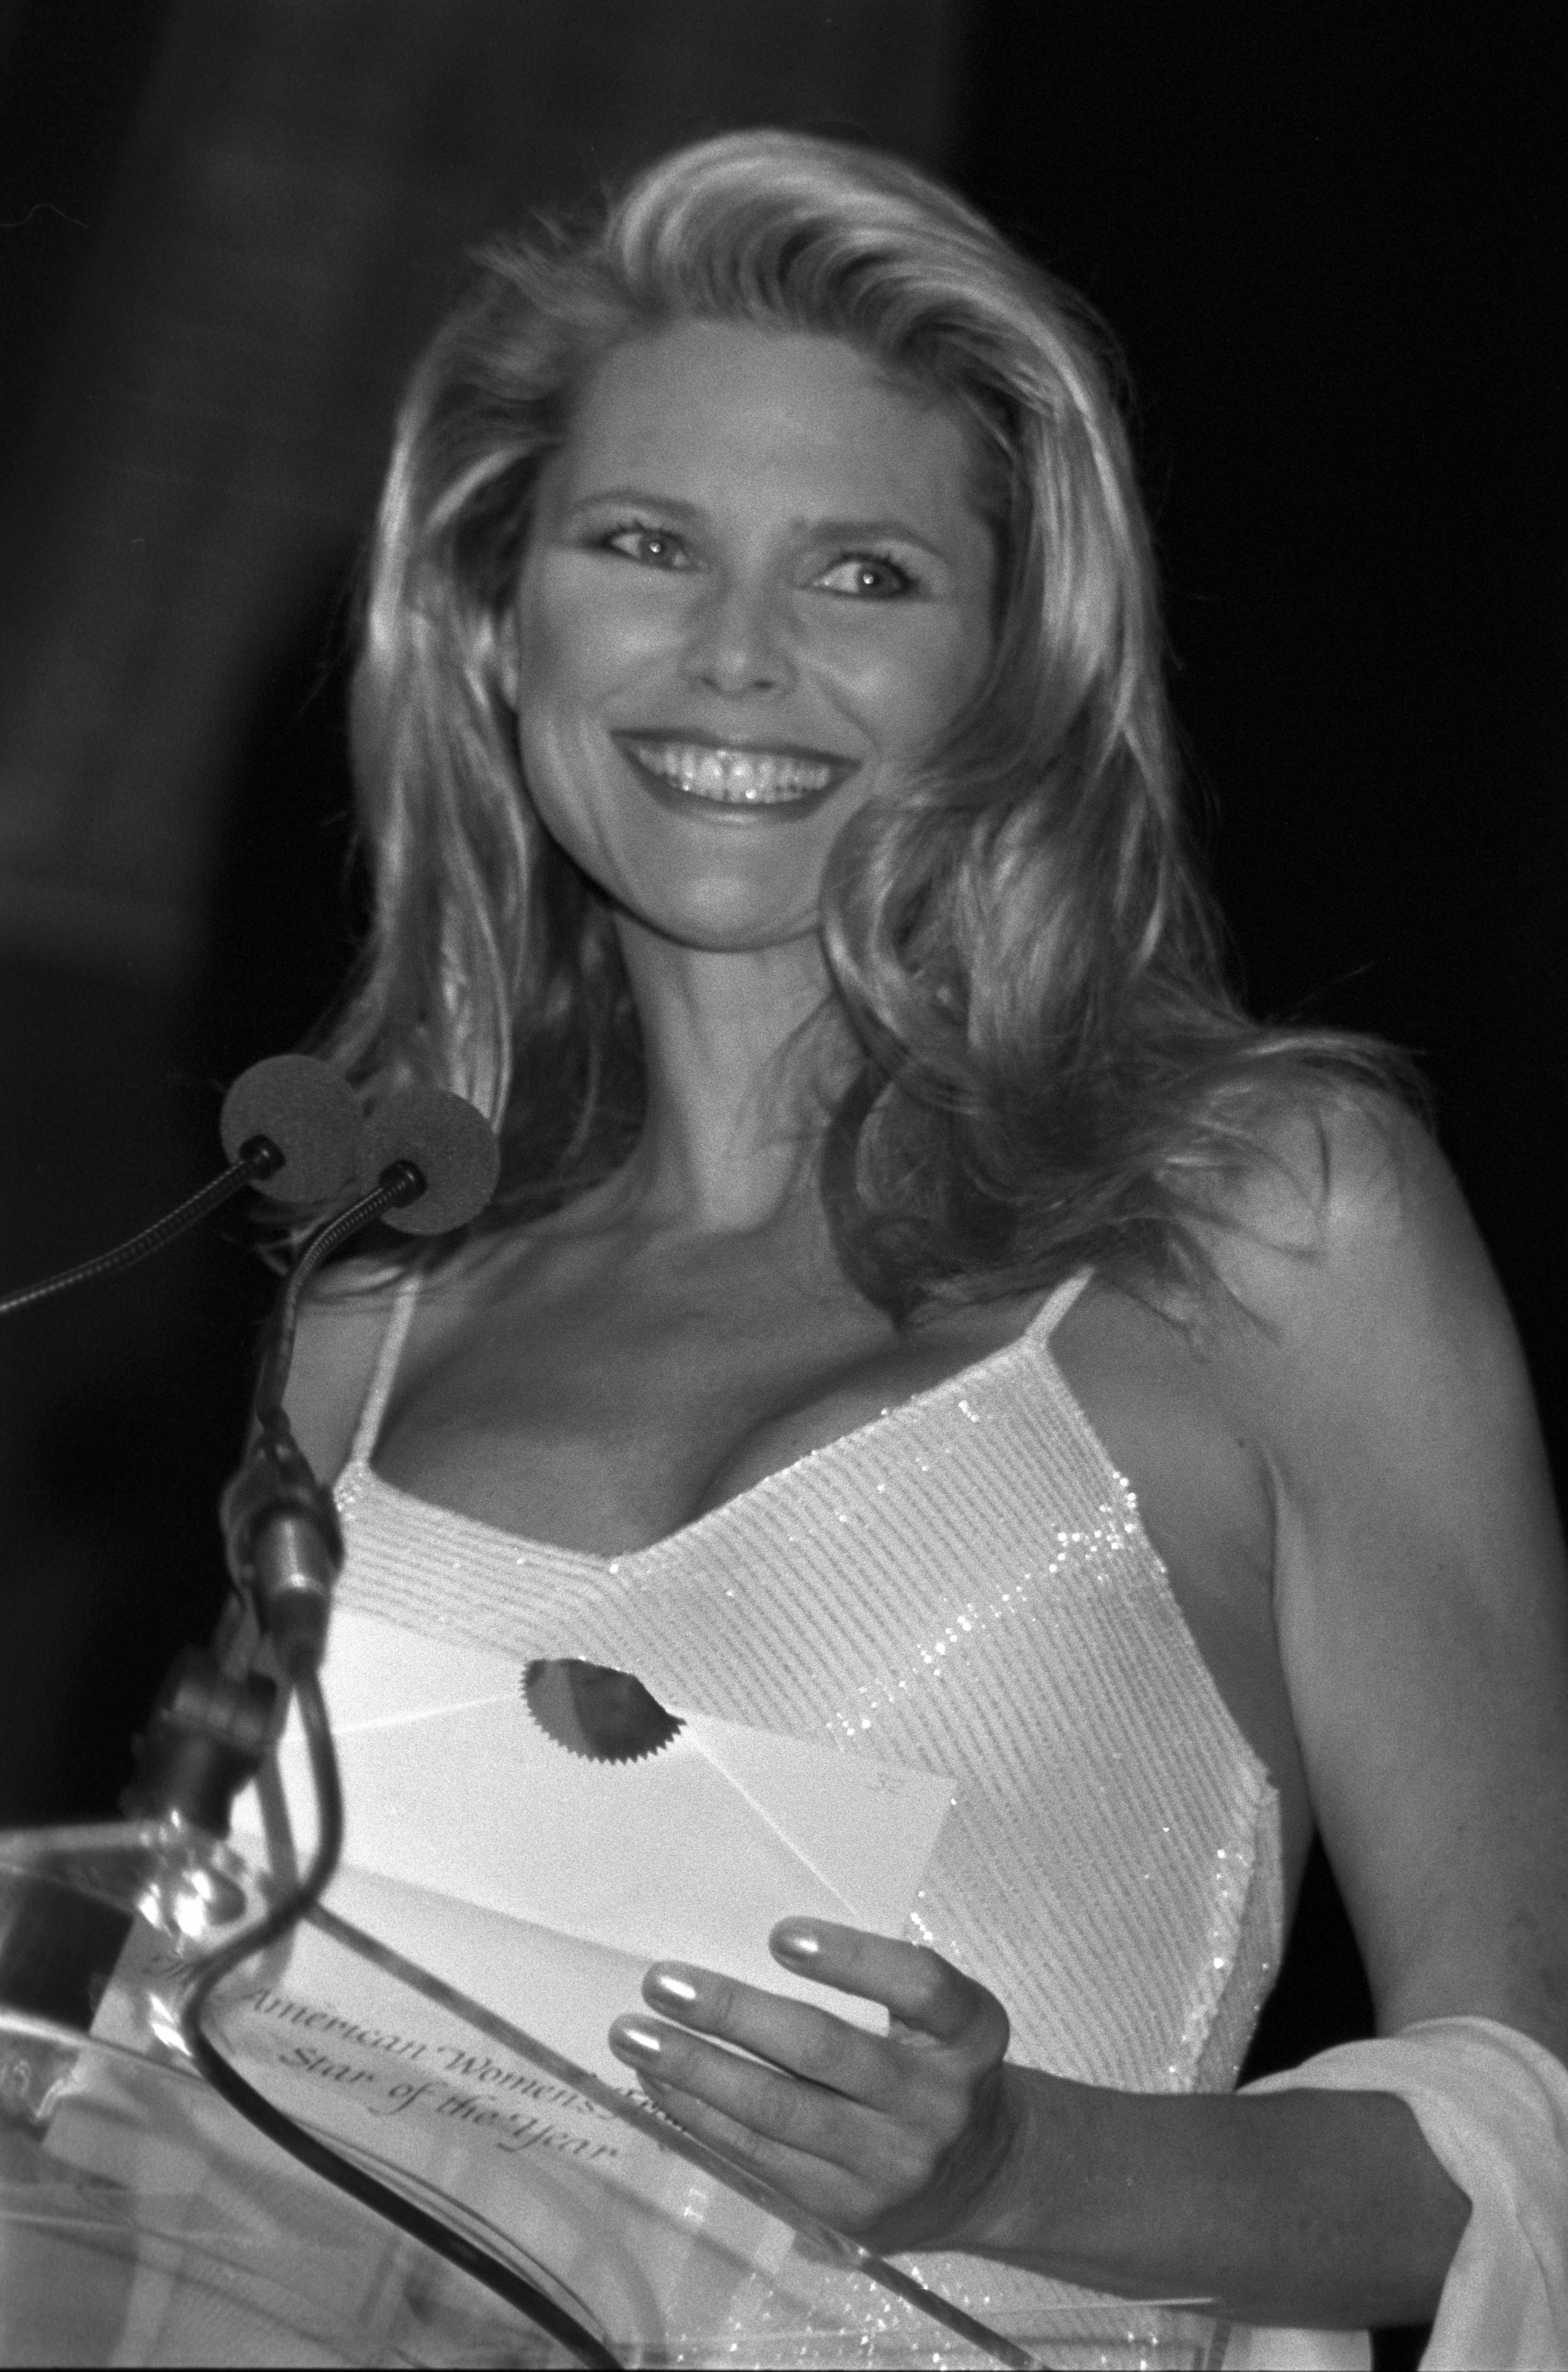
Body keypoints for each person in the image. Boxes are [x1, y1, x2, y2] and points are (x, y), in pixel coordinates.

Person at [282, 131, 1568, 2366]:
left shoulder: (1268, 1217)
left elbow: (1530, 2135)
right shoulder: (366, 1324)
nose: (739, 655)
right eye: (645, 544)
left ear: (1011, 669)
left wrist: (1004, 2171)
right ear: (498, 617)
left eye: (865, 575)